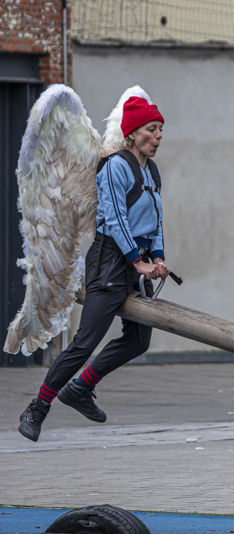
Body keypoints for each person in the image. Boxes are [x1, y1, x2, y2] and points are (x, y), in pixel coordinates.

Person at [18, 95, 170, 442]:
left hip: (136, 262)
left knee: (138, 341)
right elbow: (115, 220)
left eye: (161, 129)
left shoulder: (152, 170)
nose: (158, 135)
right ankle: (37, 408)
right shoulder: (117, 166)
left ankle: (81, 388)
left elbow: (156, 220)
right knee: (85, 342)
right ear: (132, 133)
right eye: (151, 129)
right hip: (110, 262)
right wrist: (138, 262)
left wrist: (157, 258)